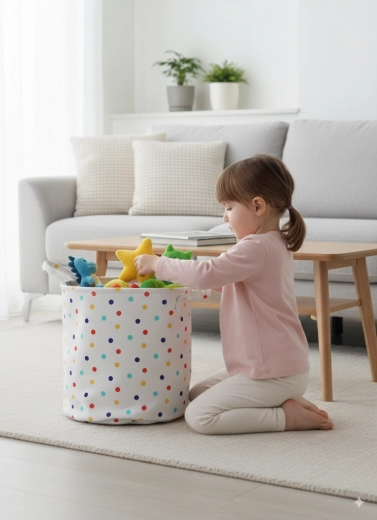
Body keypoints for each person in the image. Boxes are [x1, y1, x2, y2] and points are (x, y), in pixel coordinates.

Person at [134, 154, 334, 435]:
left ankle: (285, 417)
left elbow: (207, 273)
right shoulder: (275, 243)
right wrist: (187, 280)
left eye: (229, 207)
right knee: (195, 394)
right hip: (274, 369)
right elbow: (235, 283)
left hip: (270, 373)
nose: (224, 216)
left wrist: (159, 265)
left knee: (199, 416)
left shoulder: (255, 247)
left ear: (257, 206)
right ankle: (286, 400)